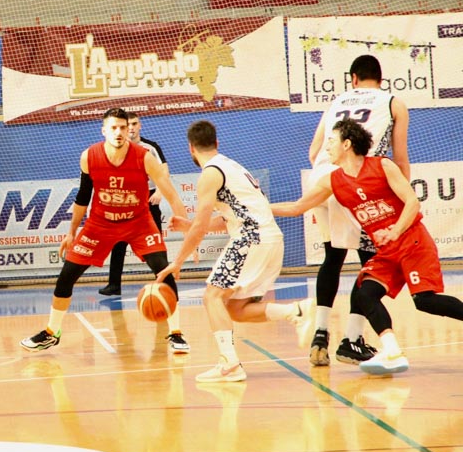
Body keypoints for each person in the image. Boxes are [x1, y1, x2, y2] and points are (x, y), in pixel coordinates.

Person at [271, 118, 463, 375]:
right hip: (387, 251)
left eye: (331, 140)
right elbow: (297, 207)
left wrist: (394, 230)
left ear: (347, 144)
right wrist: (260, 209)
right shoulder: (332, 180)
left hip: (412, 241)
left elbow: (412, 203)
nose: (326, 146)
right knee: (364, 293)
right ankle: (392, 350)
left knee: (425, 301)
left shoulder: (382, 166)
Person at [21, 108, 192, 354]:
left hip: (138, 222)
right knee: (67, 275)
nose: (119, 132)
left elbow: (172, 195)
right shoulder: (89, 156)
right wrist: (71, 232)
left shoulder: (144, 157)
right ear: (104, 130)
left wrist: (187, 234)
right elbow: (82, 197)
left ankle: (176, 333)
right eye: (114, 128)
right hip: (100, 224)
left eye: (123, 127)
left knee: (163, 269)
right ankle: (51, 332)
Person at [156, 120, 315, 383]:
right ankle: (295, 311)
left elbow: (202, 225)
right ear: (217, 143)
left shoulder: (210, 173)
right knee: (235, 309)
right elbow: (229, 218)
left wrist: (178, 261)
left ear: (190, 148)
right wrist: (189, 225)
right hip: (269, 239)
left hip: (251, 239)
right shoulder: (233, 167)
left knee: (212, 296)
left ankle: (229, 365)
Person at [304, 54, 410, 366]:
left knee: (332, 257)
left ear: (353, 79)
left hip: (322, 180)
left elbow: (313, 152)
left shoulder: (336, 101)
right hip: (354, 182)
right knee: (370, 263)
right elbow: (400, 158)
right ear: (381, 79)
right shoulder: (393, 102)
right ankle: (352, 339)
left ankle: (320, 334)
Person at [98, 111, 170, 297]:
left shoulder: (151, 147)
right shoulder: (116, 148)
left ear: (140, 126)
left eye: (134, 124)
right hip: (126, 200)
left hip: (149, 198)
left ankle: (164, 283)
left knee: (155, 243)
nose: (130, 128)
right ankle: (114, 284)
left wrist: (160, 191)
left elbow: (164, 171)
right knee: (118, 243)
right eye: (127, 124)